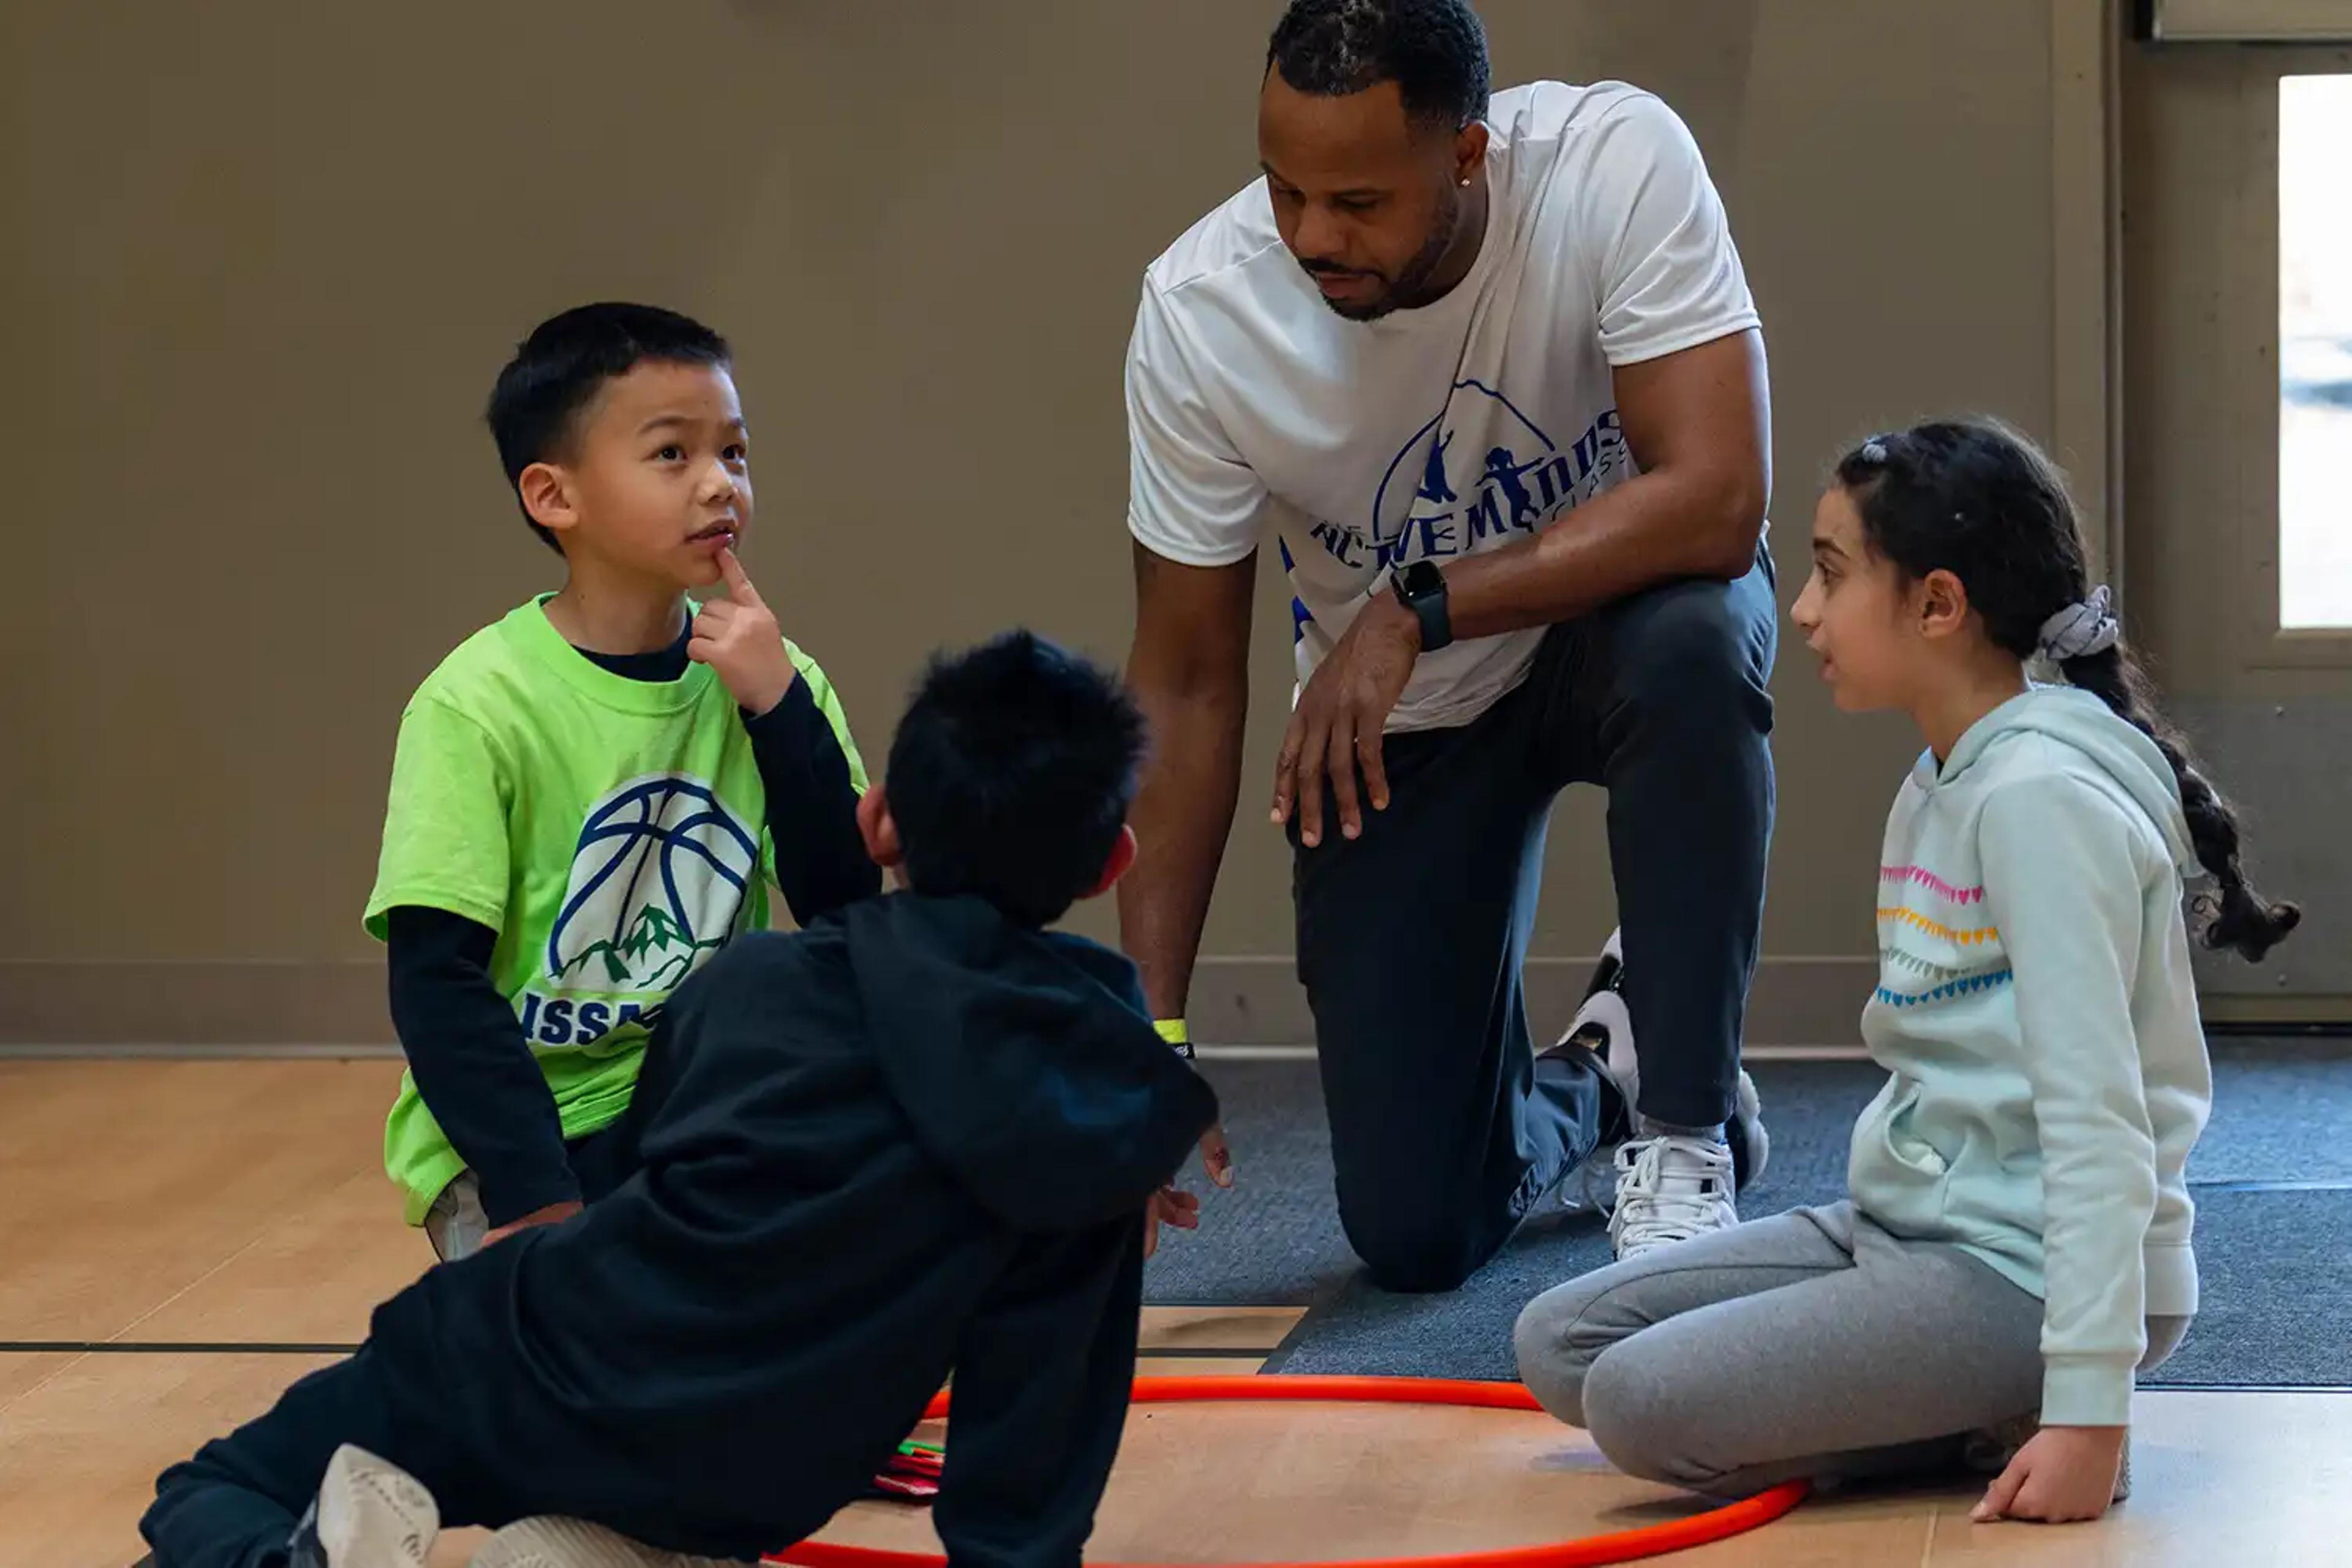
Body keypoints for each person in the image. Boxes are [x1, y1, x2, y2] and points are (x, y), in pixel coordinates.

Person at [138, 631, 1221, 1568]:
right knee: (613, 1504)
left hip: (539, 1367)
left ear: (880, 823)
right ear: (1111, 864)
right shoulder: (1105, 1098)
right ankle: (588, 1546)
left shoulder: (750, 986)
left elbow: (645, 1186)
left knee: (210, 1488)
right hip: (760, 1478)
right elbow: (1035, 1436)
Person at [1513, 420, 2300, 1524]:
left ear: (1939, 605)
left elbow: (2101, 1123)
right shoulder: (1945, 778)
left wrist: (2089, 1411)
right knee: (1558, 1344)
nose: (1803, 610)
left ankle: (2011, 1413)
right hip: (1913, 1230)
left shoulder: (2040, 804)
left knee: (1638, 1405)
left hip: (2024, 1272)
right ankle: (1961, 1410)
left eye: (1831, 575)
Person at [1120, 0, 1776, 1286]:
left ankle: (1690, 1138)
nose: (1314, 235)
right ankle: (1609, 1071)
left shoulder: (1613, 163)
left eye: (1358, 201)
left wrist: (1418, 602)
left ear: (1469, 156)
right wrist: (1151, 1032)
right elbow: (1188, 685)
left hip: (1605, 627)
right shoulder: (1202, 315)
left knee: (1697, 641)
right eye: (1284, 190)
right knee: (1417, 1226)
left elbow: (1717, 493)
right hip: (1405, 716)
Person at [365, 302, 878, 1259]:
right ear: (554, 497)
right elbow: (436, 984)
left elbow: (846, 909)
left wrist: (779, 713)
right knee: (602, 1371)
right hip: (520, 1137)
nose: (720, 483)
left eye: (735, 452)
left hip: (708, 1105)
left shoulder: (777, 678)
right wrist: (536, 1197)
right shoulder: (476, 706)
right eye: (673, 455)